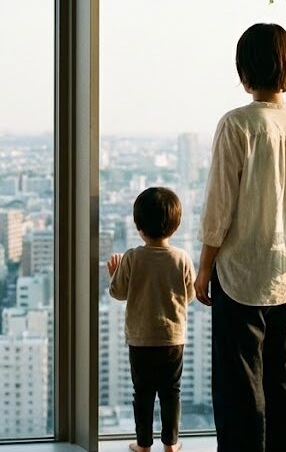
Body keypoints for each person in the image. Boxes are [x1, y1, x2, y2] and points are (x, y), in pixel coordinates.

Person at [194, 23, 286, 452]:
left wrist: (204, 267)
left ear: (244, 69)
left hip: (241, 274)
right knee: (283, 381)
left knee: (239, 388)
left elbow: (219, 207)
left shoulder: (237, 125)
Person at [108, 186, 196, 452]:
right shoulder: (181, 258)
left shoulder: (133, 258)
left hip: (140, 339)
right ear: (176, 225)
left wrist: (114, 272)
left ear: (138, 225)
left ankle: (144, 445)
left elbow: (118, 292)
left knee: (143, 394)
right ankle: (171, 444)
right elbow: (189, 295)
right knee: (171, 393)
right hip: (173, 339)